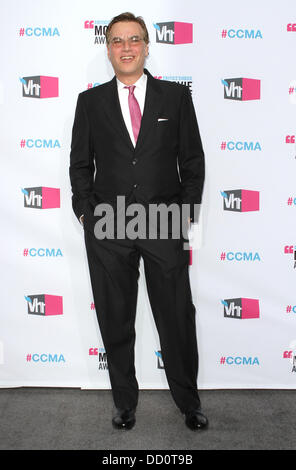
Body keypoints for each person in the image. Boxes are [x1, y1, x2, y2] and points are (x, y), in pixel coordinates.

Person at [69, 12, 208, 431]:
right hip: (109, 225)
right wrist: (86, 214)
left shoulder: (175, 98)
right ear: (108, 48)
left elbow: (193, 162)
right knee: (115, 316)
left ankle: (189, 403)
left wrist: (185, 217)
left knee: (176, 317)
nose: (126, 47)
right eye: (116, 40)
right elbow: (79, 165)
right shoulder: (89, 103)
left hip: (164, 221)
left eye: (133, 40)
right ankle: (124, 402)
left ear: (147, 46)